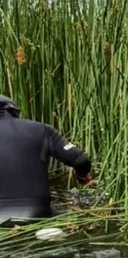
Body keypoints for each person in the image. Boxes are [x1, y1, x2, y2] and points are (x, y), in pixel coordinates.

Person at [0, 95, 93, 224]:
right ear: (13, 111)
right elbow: (81, 160)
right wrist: (83, 175)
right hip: (36, 214)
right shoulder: (42, 130)